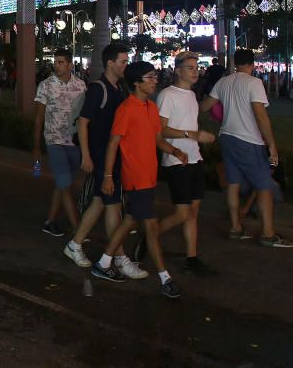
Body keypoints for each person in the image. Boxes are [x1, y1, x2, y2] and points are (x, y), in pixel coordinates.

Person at [92, 61, 188, 299]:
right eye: (150, 77)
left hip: (149, 175)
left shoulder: (151, 108)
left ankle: (103, 263)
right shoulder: (127, 108)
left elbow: (156, 139)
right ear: (136, 83)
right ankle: (165, 278)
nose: (155, 80)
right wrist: (107, 176)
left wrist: (174, 151)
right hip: (136, 177)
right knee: (151, 227)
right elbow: (113, 143)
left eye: (155, 76)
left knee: (129, 221)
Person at [63, 43, 147, 280]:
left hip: (111, 157)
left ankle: (75, 245)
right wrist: (87, 156)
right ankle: (118, 257)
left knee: (100, 201)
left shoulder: (118, 89)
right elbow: (82, 123)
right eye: (122, 61)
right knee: (112, 205)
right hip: (102, 158)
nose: (125, 65)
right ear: (110, 63)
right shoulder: (98, 89)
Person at [201, 49, 293, 248]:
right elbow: (261, 116)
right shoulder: (254, 83)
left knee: (233, 184)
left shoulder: (223, 82)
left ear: (235, 63)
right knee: (263, 186)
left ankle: (236, 228)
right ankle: (268, 234)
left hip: (227, 137)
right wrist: (271, 144)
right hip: (249, 140)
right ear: (252, 64)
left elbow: (204, 106)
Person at [134, 51, 218, 276]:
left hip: (194, 158)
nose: (195, 71)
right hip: (176, 159)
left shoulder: (191, 95)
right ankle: (150, 236)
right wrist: (193, 135)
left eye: (197, 67)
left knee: (193, 211)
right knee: (182, 213)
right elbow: (160, 130)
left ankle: (192, 257)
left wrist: (196, 139)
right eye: (190, 67)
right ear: (178, 70)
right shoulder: (167, 96)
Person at [33, 48, 87, 237]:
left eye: (61, 62)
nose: (56, 65)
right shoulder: (45, 85)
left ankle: (49, 221)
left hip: (73, 141)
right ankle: (78, 230)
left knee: (64, 184)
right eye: (55, 62)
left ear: (70, 64)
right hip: (54, 140)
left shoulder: (81, 86)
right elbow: (38, 118)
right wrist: (37, 146)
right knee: (64, 184)